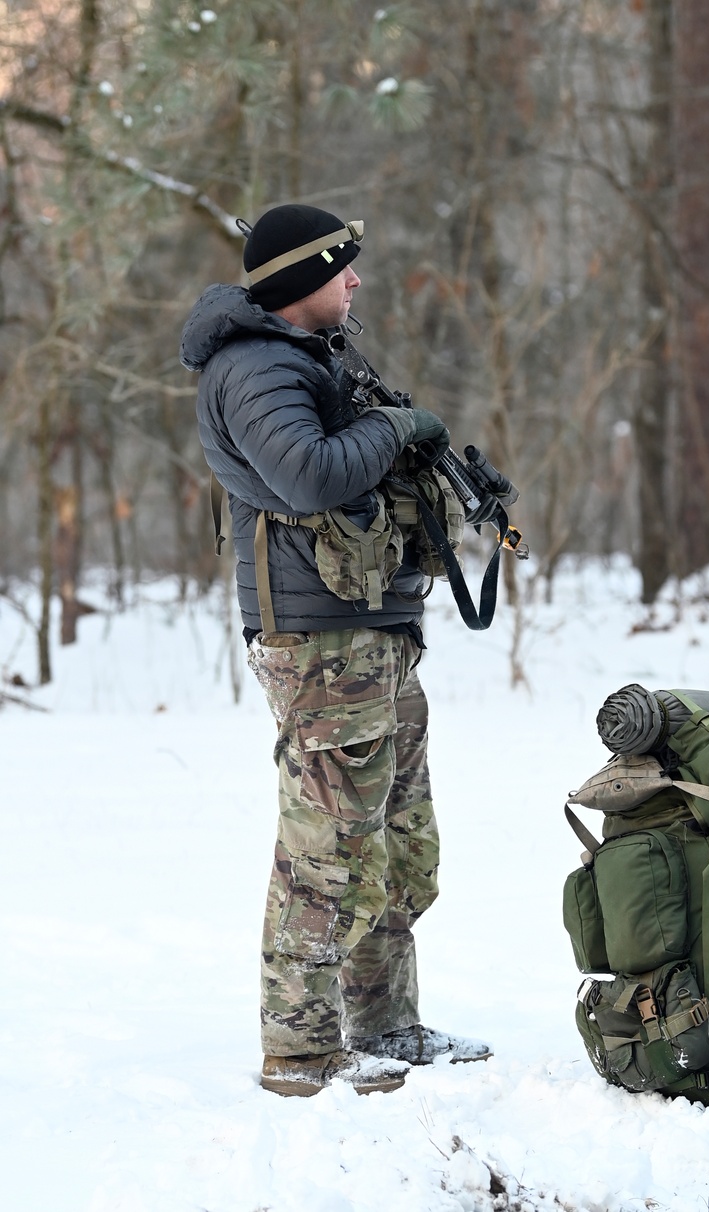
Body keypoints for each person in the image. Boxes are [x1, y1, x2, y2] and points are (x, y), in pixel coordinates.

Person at [179, 203, 491, 1097]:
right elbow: (309, 473)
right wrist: (400, 430)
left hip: (373, 631)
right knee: (328, 848)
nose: (356, 281)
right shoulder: (252, 368)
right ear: (299, 281)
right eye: (342, 269)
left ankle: (387, 1023)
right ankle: (302, 1051)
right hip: (319, 643)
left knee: (396, 839)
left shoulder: (314, 357)